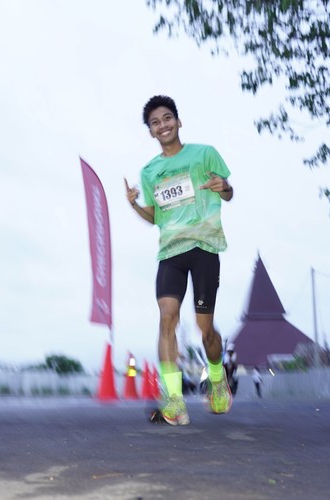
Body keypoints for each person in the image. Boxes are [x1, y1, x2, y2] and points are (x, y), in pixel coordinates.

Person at [124, 95, 234, 425]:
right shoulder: (149, 171)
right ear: (150, 131)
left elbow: (228, 193)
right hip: (170, 253)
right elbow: (155, 217)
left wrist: (224, 186)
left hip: (204, 247)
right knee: (167, 318)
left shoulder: (204, 153)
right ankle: (174, 401)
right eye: (155, 122)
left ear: (178, 121)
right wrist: (134, 204)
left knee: (205, 329)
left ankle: (217, 379)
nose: (163, 125)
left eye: (167, 118)